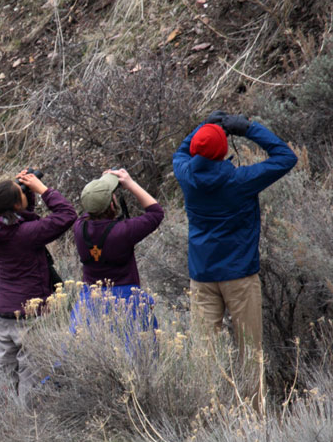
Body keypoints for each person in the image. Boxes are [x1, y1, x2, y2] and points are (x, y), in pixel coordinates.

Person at [172, 111, 297, 361]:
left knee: (204, 358)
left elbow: (181, 153)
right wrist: (249, 128)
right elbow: (286, 157)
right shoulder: (241, 180)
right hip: (239, 276)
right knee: (249, 353)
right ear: (222, 150)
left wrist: (204, 126)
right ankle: (251, 401)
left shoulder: (186, 175)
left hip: (202, 276)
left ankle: (207, 401)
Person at [0, 169, 77, 399]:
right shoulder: (25, 234)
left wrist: (25, 192)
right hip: (30, 315)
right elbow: (67, 214)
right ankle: (28, 424)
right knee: (30, 374)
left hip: (4, 314)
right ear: (14, 206)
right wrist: (43, 190)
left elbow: (24, 216)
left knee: (3, 370)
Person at [71, 169, 163, 336]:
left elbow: (93, 206)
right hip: (126, 300)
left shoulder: (79, 228)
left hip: (90, 302)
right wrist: (131, 184)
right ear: (112, 205)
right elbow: (156, 212)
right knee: (135, 355)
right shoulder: (122, 232)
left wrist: (98, 188)